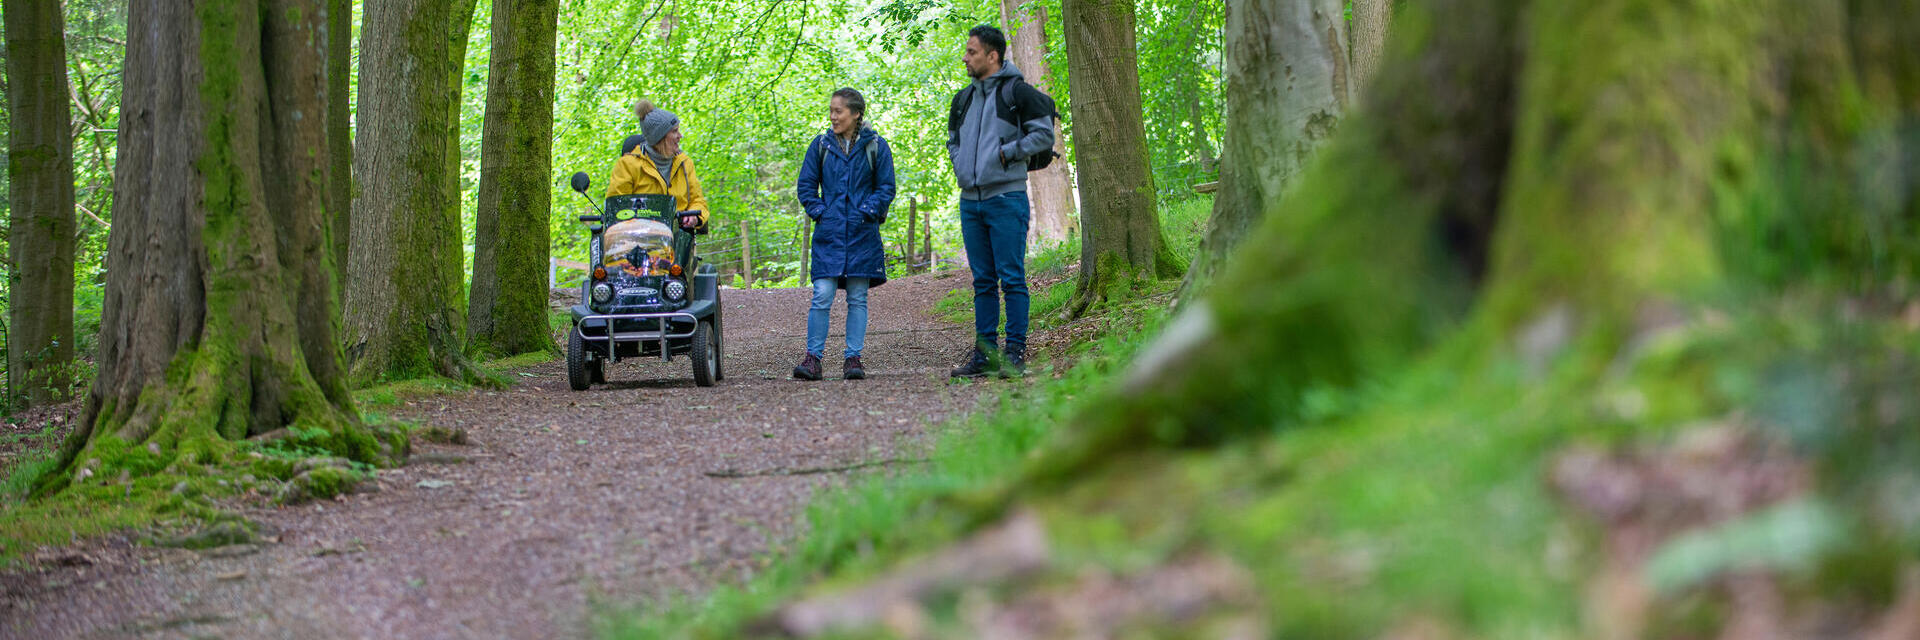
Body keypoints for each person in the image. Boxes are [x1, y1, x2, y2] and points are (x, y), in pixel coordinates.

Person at [946, 25, 1055, 378]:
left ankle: (1015, 354)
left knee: (1011, 277)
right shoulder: (962, 99)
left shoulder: (1016, 92)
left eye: (972, 51)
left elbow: (1043, 134)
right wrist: (961, 165)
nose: (965, 57)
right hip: (970, 201)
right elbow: (953, 141)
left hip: (1006, 197)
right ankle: (985, 355)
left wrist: (1008, 154)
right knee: (982, 280)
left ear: (992, 56)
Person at [793, 88, 897, 381]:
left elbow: (886, 188)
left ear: (856, 114)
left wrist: (867, 211)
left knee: (858, 297)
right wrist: (822, 213)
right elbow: (806, 187)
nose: (832, 116)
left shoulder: (876, 146)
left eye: (838, 111)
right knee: (822, 295)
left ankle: (853, 358)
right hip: (830, 234)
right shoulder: (820, 146)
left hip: (863, 234)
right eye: (831, 110)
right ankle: (813, 358)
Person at [608, 100, 709, 231]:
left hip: (679, 238)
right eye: (674, 131)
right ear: (660, 138)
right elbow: (616, 207)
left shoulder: (685, 164)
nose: (680, 136)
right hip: (639, 240)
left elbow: (698, 200)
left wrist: (695, 216)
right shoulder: (628, 165)